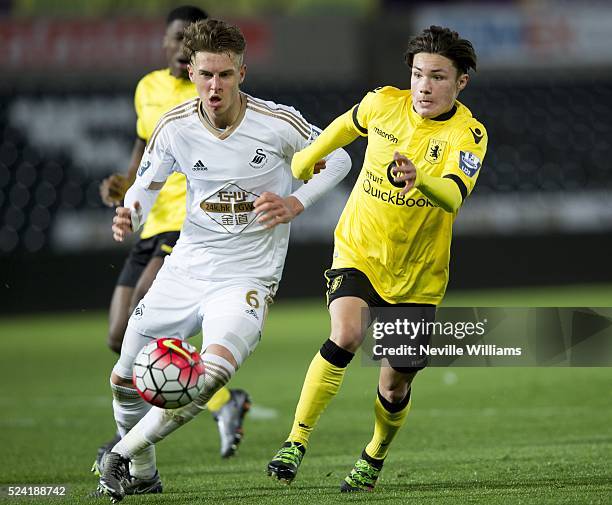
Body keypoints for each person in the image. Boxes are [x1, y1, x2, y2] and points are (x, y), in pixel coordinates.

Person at [95, 18, 351, 502]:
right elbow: (144, 188)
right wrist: (129, 215)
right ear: (190, 72)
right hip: (186, 267)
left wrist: (296, 203)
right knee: (123, 381)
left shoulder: (278, 123)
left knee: (209, 375)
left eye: (226, 75)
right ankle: (143, 471)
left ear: (242, 73)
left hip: (247, 277)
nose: (215, 86)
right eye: (206, 74)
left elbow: (338, 159)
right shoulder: (174, 127)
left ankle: (118, 455)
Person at [267, 25, 488, 492]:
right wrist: (310, 156)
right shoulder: (383, 102)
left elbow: (451, 196)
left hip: (419, 275)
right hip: (359, 249)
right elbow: (349, 123)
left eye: (438, 77)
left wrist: (418, 178)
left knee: (394, 385)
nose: (424, 86)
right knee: (346, 333)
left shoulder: (468, 134)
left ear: (460, 82)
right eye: (417, 74)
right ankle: (295, 441)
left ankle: (373, 455)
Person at [95, 6, 251, 465]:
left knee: (147, 311)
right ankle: (226, 402)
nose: (181, 46)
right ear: (165, 42)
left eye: (189, 39)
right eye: (175, 37)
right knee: (117, 334)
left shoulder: (207, 92)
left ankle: (137, 449)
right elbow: (147, 146)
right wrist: (126, 187)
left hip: (187, 223)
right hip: (150, 220)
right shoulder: (147, 87)